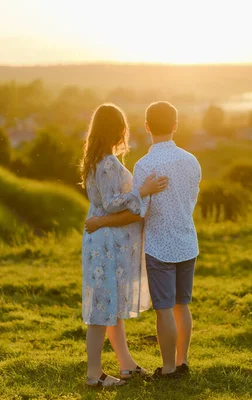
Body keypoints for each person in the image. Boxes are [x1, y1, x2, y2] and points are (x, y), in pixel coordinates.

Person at [86, 101, 201, 380]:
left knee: (164, 310)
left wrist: (101, 221)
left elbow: (139, 210)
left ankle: (169, 368)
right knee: (181, 305)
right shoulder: (191, 160)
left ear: (147, 127)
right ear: (175, 125)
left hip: (160, 245)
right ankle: (182, 362)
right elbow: (191, 198)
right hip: (187, 242)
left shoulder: (144, 164)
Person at [80, 103, 169, 388]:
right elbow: (111, 204)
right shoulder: (106, 163)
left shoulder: (99, 160)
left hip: (105, 240)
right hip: (105, 242)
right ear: (116, 129)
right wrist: (142, 191)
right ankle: (94, 374)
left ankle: (126, 365)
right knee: (101, 307)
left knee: (110, 306)